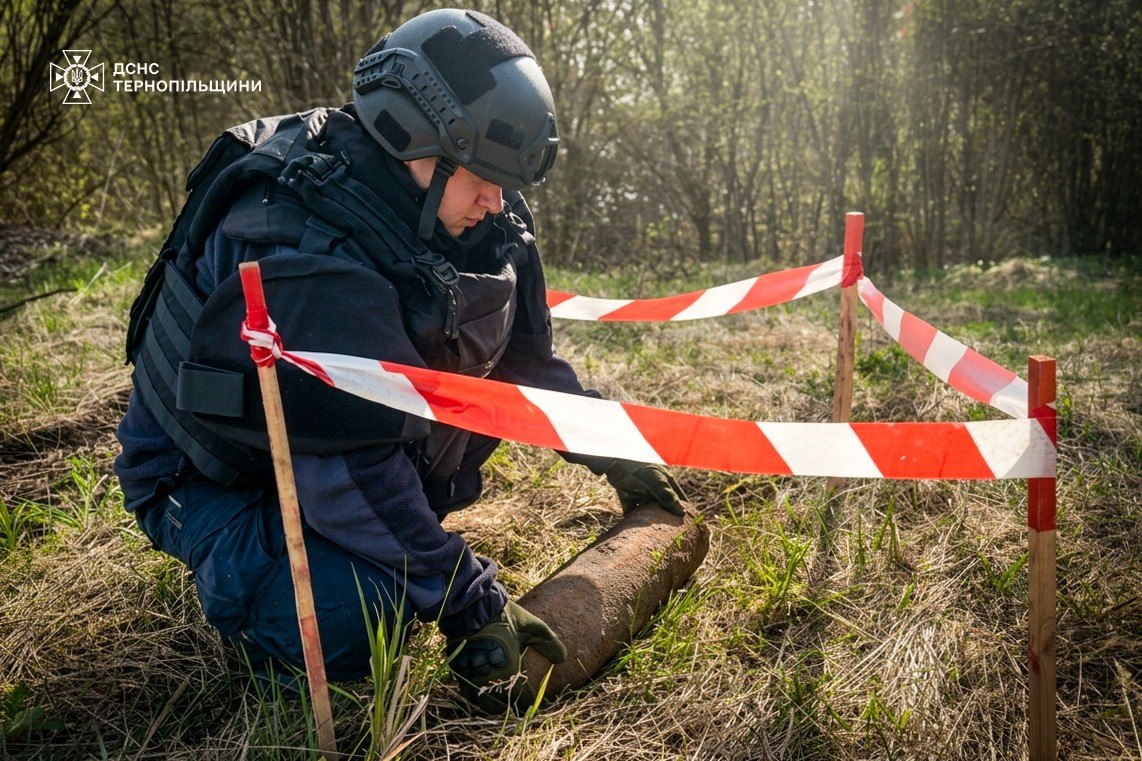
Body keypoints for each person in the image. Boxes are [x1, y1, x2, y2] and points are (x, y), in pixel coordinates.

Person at [115, 8, 688, 706]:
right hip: (217, 478)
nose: (496, 199)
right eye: (481, 175)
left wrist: (614, 449)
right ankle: (258, 600)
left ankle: (377, 549)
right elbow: (344, 470)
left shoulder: (484, 218)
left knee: (385, 559)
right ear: (413, 140)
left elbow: (527, 370)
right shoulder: (303, 243)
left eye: (505, 180)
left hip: (340, 452)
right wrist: (467, 598)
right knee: (358, 614)